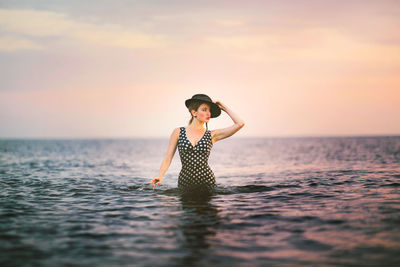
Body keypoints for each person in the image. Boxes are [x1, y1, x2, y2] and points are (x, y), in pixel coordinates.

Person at [150, 94, 245, 195]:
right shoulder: (178, 132)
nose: (208, 113)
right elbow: (168, 157)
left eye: (209, 111)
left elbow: (240, 123)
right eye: (204, 110)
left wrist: (224, 107)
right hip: (185, 181)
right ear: (194, 112)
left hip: (207, 181)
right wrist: (160, 176)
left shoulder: (212, 135)